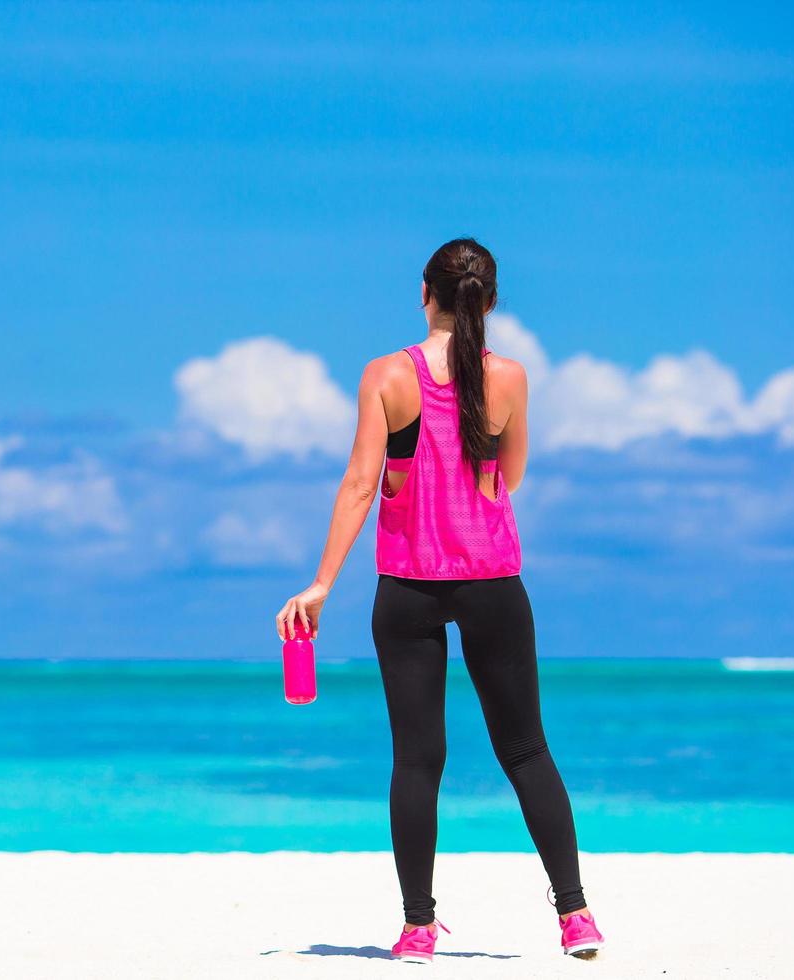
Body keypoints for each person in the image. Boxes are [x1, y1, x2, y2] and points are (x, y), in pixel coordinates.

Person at [274, 238, 605, 964]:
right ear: (488, 301)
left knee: (418, 760)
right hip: (491, 583)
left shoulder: (387, 375)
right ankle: (575, 916)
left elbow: (361, 483)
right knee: (525, 750)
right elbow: (506, 479)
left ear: (424, 291)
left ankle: (419, 928)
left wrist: (322, 583)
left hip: (407, 587)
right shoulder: (509, 379)